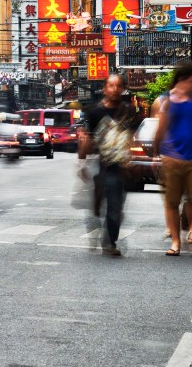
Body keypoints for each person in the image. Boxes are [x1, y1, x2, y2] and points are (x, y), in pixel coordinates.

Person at [153, 61, 192, 256]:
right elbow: (161, 128)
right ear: (182, 80)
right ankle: (175, 241)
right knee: (172, 202)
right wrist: (155, 152)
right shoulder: (166, 100)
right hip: (172, 158)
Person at [78, 72, 141, 256]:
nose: (114, 89)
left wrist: (132, 158)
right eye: (111, 86)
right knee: (98, 205)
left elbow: (131, 137)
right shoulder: (95, 112)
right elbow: (88, 138)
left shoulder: (129, 111)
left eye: (118, 86)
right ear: (105, 89)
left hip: (119, 167)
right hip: (101, 163)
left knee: (115, 206)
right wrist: (81, 162)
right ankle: (96, 223)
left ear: (123, 89)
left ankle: (110, 241)